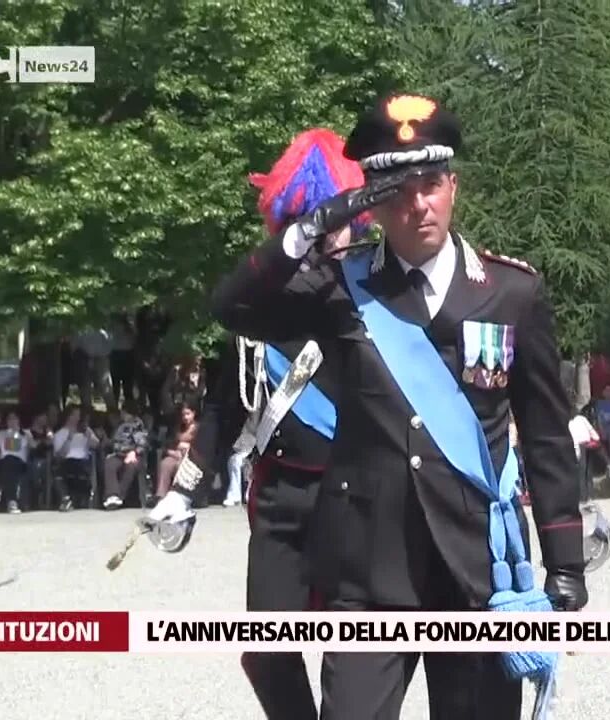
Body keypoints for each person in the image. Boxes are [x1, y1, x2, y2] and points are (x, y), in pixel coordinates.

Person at [210, 92, 586, 719]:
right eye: (399, 190)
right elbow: (232, 307)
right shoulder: (339, 287)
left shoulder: (511, 293)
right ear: (375, 204)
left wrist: (565, 562)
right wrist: (311, 228)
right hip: (367, 570)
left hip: (478, 569)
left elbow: (546, 435)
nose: (420, 204)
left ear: (453, 186)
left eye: (432, 184)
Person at [144, 128, 367, 720]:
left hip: (356, 495)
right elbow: (223, 405)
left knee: (356, 657)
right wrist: (185, 490)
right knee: (267, 654)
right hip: (281, 497)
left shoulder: (368, 302)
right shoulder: (257, 309)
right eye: (314, 222)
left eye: (338, 222)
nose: (332, 236)